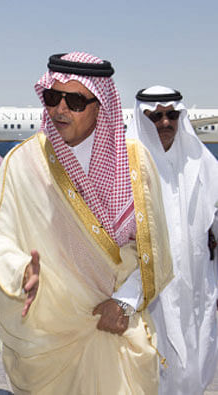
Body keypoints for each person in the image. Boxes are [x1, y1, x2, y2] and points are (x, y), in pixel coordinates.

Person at [0, 52, 174, 394]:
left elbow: (154, 246)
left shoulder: (135, 162)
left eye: (74, 101)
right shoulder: (23, 162)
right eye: (53, 98)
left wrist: (125, 302)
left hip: (118, 326)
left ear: (101, 105)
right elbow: (0, 234)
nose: (60, 110)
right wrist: (22, 270)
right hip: (49, 331)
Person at [127, 86, 218, 395]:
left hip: (194, 285)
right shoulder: (126, 166)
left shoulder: (201, 161)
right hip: (143, 292)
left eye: (171, 115)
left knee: (192, 367)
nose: (165, 123)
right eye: (155, 116)